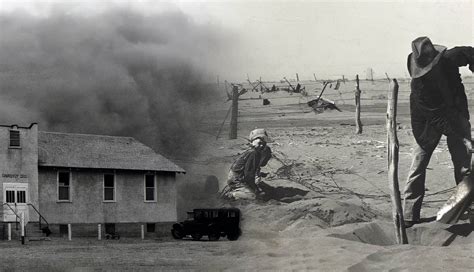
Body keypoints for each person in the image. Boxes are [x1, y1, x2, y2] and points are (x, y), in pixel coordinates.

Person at [403, 37, 474, 227]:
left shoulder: (450, 58)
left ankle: (467, 210)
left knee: (464, 167)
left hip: (456, 114)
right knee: (418, 166)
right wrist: (462, 137)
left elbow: (470, 52)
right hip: (427, 123)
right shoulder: (420, 87)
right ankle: (410, 215)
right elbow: (437, 118)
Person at [221, 128, 272, 200]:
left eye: (264, 144)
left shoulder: (255, 152)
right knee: (253, 196)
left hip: (241, 178)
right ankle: (231, 194)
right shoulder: (253, 153)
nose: (262, 146)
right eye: (259, 143)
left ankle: (241, 190)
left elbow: (257, 168)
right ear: (252, 142)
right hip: (237, 180)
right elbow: (249, 175)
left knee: (261, 189)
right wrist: (255, 189)